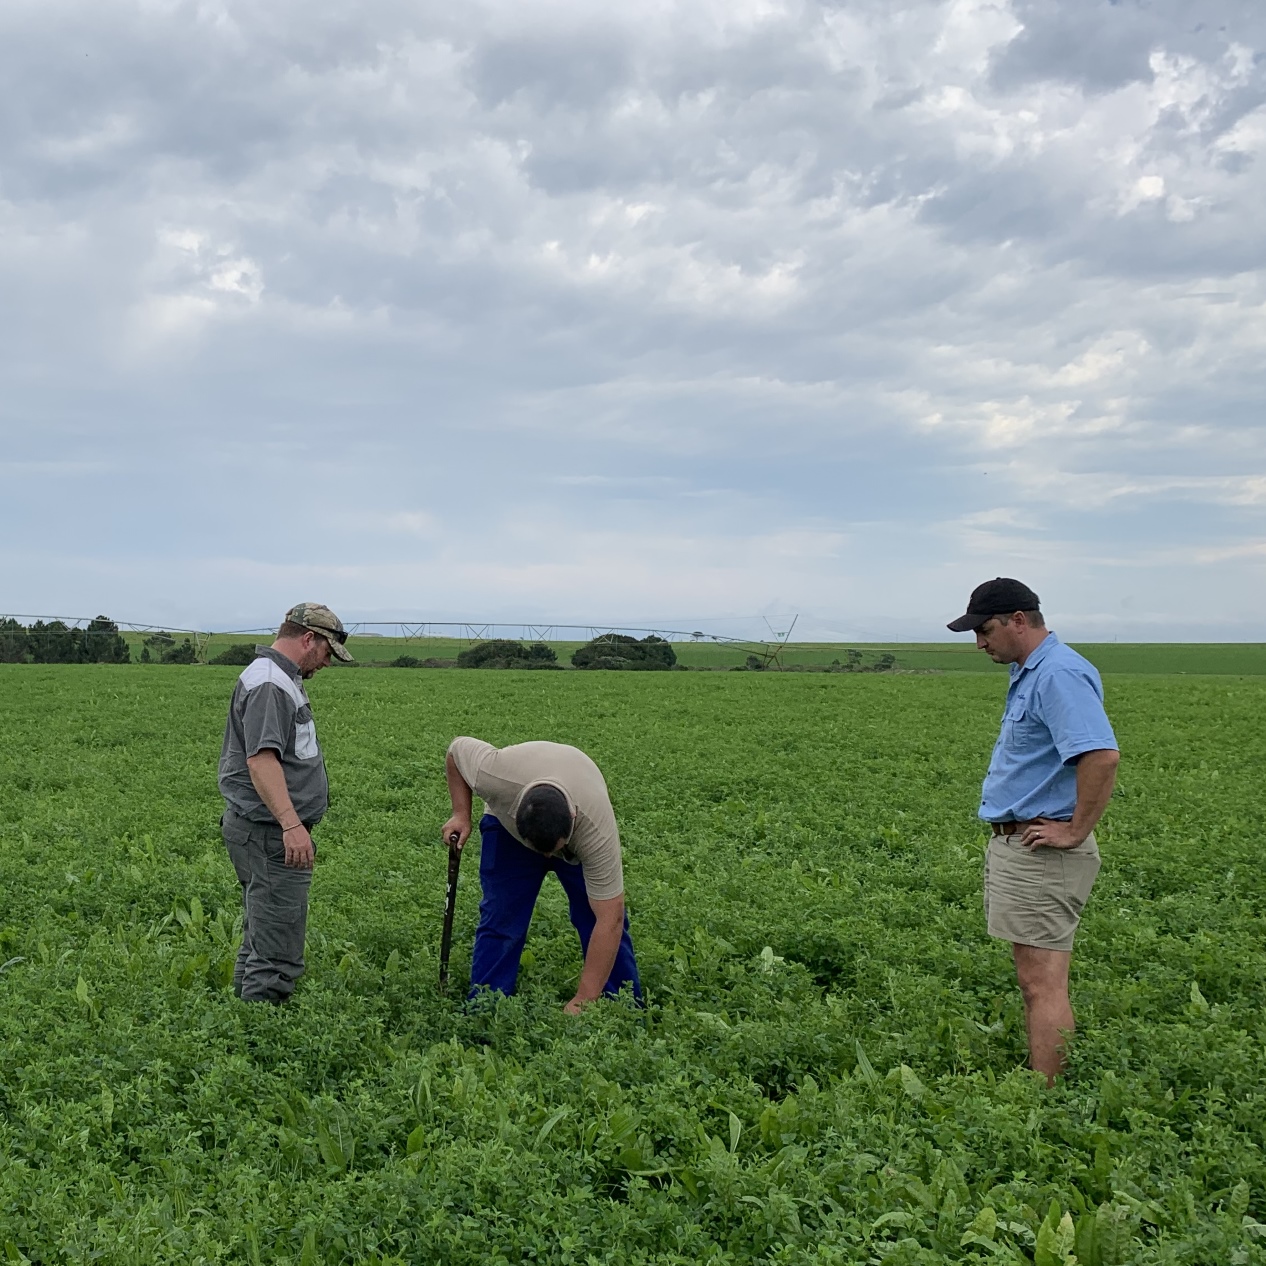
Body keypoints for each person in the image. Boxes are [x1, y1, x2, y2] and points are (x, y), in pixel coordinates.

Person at [947, 578, 1119, 1084]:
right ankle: (1047, 1084)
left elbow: (1101, 756)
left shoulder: (1058, 674)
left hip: (1043, 849)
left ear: (1019, 620)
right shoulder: (1032, 671)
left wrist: (1073, 830)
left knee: (1041, 982)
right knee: (1035, 977)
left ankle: (1047, 1100)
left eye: (985, 629)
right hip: (1022, 843)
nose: (980, 643)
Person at [442, 737, 642, 1013]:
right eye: (538, 850)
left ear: (572, 820)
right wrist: (461, 813)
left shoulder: (594, 829)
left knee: (595, 916)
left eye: (552, 851)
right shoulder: (494, 775)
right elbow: (456, 751)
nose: (546, 858)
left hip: (578, 816)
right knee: (502, 916)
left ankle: (621, 1008)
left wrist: (583, 998)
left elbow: (611, 916)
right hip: (509, 829)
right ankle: (485, 1008)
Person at [217, 603, 353, 1001]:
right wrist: (292, 825)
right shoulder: (270, 684)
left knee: (262, 934)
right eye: (327, 653)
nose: (327, 663)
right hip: (271, 835)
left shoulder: (276, 677)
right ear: (307, 638)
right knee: (276, 950)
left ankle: (245, 1022)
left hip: (263, 831)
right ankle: (259, 1042)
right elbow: (261, 761)